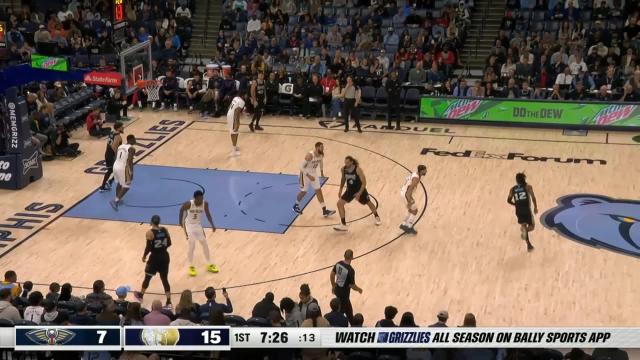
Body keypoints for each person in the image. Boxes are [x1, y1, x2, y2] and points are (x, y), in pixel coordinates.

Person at [334, 156, 381, 231]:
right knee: (339, 204)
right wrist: (340, 189)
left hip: (360, 190)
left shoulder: (358, 170)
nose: (346, 164)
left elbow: (364, 183)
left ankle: (376, 216)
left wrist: (359, 193)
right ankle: (343, 224)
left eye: (347, 162)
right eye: (345, 162)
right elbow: (343, 179)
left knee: (368, 203)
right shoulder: (343, 169)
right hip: (349, 190)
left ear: (352, 162)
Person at [134, 215, 172, 306]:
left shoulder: (150, 233)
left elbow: (148, 247)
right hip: (165, 257)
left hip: (154, 258)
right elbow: (170, 243)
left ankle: (141, 295)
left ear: (151, 221)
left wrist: (144, 256)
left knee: (147, 278)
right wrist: (162, 248)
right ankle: (169, 301)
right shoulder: (165, 230)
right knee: (165, 279)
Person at [179, 190, 218, 276]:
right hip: (188, 225)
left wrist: (212, 225)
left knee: (204, 244)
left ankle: (209, 264)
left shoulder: (205, 204)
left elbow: (208, 214)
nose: (201, 200)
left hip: (198, 225)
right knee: (192, 244)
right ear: (195, 198)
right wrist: (180, 222)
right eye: (199, 199)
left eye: (202, 198)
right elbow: (181, 210)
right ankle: (191, 266)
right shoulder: (189, 204)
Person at [293, 142, 336, 217]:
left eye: (323, 147)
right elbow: (301, 167)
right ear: (316, 148)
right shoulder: (310, 155)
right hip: (304, 173)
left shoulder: (321, 154)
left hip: (313, 173)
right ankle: (296, 205)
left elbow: (321, 162)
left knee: (318, 190)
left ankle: (324, 210)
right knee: (304, 191)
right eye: (321, 147)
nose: (323, 148)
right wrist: (309, 176)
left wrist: (322, 172)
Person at [507, 172, 538, 252]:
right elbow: (533, 197)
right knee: (532, 227)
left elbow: (508, 200)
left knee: (523, 226)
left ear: (516, 180)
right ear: (524, 179)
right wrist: (535, 207)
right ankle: (525, 231)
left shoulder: (512, 189)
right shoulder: (528, 187)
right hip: (527, 209)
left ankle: (529, 245)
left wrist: (516, 205)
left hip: (518, 210)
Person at [330, 249, 362, 325]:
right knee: (345, 312)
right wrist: (359, 289)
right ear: (352, 257)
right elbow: (352, 285)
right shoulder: (350, 270)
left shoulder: (338, 263)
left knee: (344, 310)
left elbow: (332, 274)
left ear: (344, 256)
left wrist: (333, 285)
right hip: (344, 295)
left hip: (337, 291)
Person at [110, 134, 136, 211]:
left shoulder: (120, 146)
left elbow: (115, 156)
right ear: (131, 139)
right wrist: (131, 172)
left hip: (115, 165)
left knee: (119, 183)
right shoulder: (132, 148)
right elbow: (130, 161)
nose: (135, 141)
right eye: (134, 139)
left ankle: (117, 197)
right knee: (126, 186)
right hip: (122, 167)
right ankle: (115, 201)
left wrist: (115, 165)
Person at [400, 165, 427, 234]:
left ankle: (404, 224)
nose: (426, 171)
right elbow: (409, 190)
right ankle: (409, 226)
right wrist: (410, 200)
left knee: (410, 209)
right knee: (415, 210)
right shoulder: (416, 179)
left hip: (403, 192)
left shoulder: (415, 174)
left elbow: (407, 180)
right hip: (407, 194)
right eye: (425, 170)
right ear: (421, 171)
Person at [99, 122, 124, 192]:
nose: (123, 128)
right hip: (111, 155)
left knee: (112, 170)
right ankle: (106, 184)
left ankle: (106, 184)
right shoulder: (118, 136)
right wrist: (117, 156)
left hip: (107, 154)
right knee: (115, 170)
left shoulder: (112, 132)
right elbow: (114, 146)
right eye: (122, 127)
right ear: (118, 128)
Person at [227, 90, 245, 156]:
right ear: (243, 95)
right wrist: (237, 122)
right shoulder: (242, 102)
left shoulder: (235, 98)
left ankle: (235, 146)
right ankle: (233, 151)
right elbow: (236, 112)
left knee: (235, 131)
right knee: (234, 132)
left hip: (229, 114)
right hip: (233, 116)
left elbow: (230, 107)